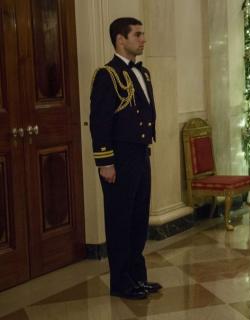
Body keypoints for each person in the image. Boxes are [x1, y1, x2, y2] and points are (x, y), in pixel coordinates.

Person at [89, 17, 161, 300]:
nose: (143, 39)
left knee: (138, 218)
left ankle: (137, 276)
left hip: (141, 153)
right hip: (118, 159)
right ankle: (120, 282)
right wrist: (105, 162)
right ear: (121, 40)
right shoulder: (107, 75)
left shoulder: (143, 73)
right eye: (138, 35)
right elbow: (100, 123)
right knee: (120, 220)